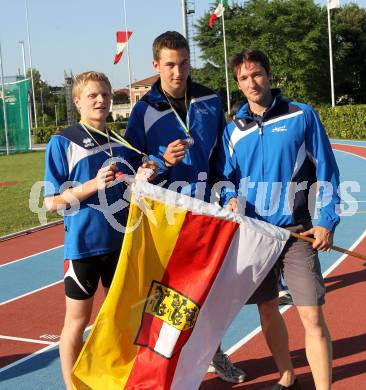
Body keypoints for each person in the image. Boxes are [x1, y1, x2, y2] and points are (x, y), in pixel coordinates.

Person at [124, 31, 246, 384]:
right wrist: (161, 161)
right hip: (168, 210)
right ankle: (167, 360)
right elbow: (133, 163)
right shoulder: (144, 110)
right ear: (156, 66)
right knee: (169, 290)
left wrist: (229, 191)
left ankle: (213, 352)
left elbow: (223, 153)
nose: (178, 72)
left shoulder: (209, 98)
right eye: (170, 66)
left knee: (208, 288)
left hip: (207, 207)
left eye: (184, 64)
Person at [219, 49, 340, 390]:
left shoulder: (302, 115)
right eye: (243, 78)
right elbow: (225, 179)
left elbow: (328, 171)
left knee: (312, 316)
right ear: (238, 84)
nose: (251, 82)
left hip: (297, 234)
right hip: (256, 236)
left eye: (256, 74)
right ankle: (287, 375)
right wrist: (229, 199)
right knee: (267, 310)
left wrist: (327, 221)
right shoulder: (233, 131)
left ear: (269, 74)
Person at [43, 71, 156, 389]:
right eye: (92, 95)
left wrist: (148, 170)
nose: (101, 100)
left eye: (105, 95)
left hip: (121, 244)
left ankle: (112, 379)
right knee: (76, 323)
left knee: (119, 321)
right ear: (77, 101)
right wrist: (93, 185)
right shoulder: (62, 142)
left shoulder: (120, 142)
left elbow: (139, 178)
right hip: (83, 247)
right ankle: (72, 385)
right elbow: (52, 202)